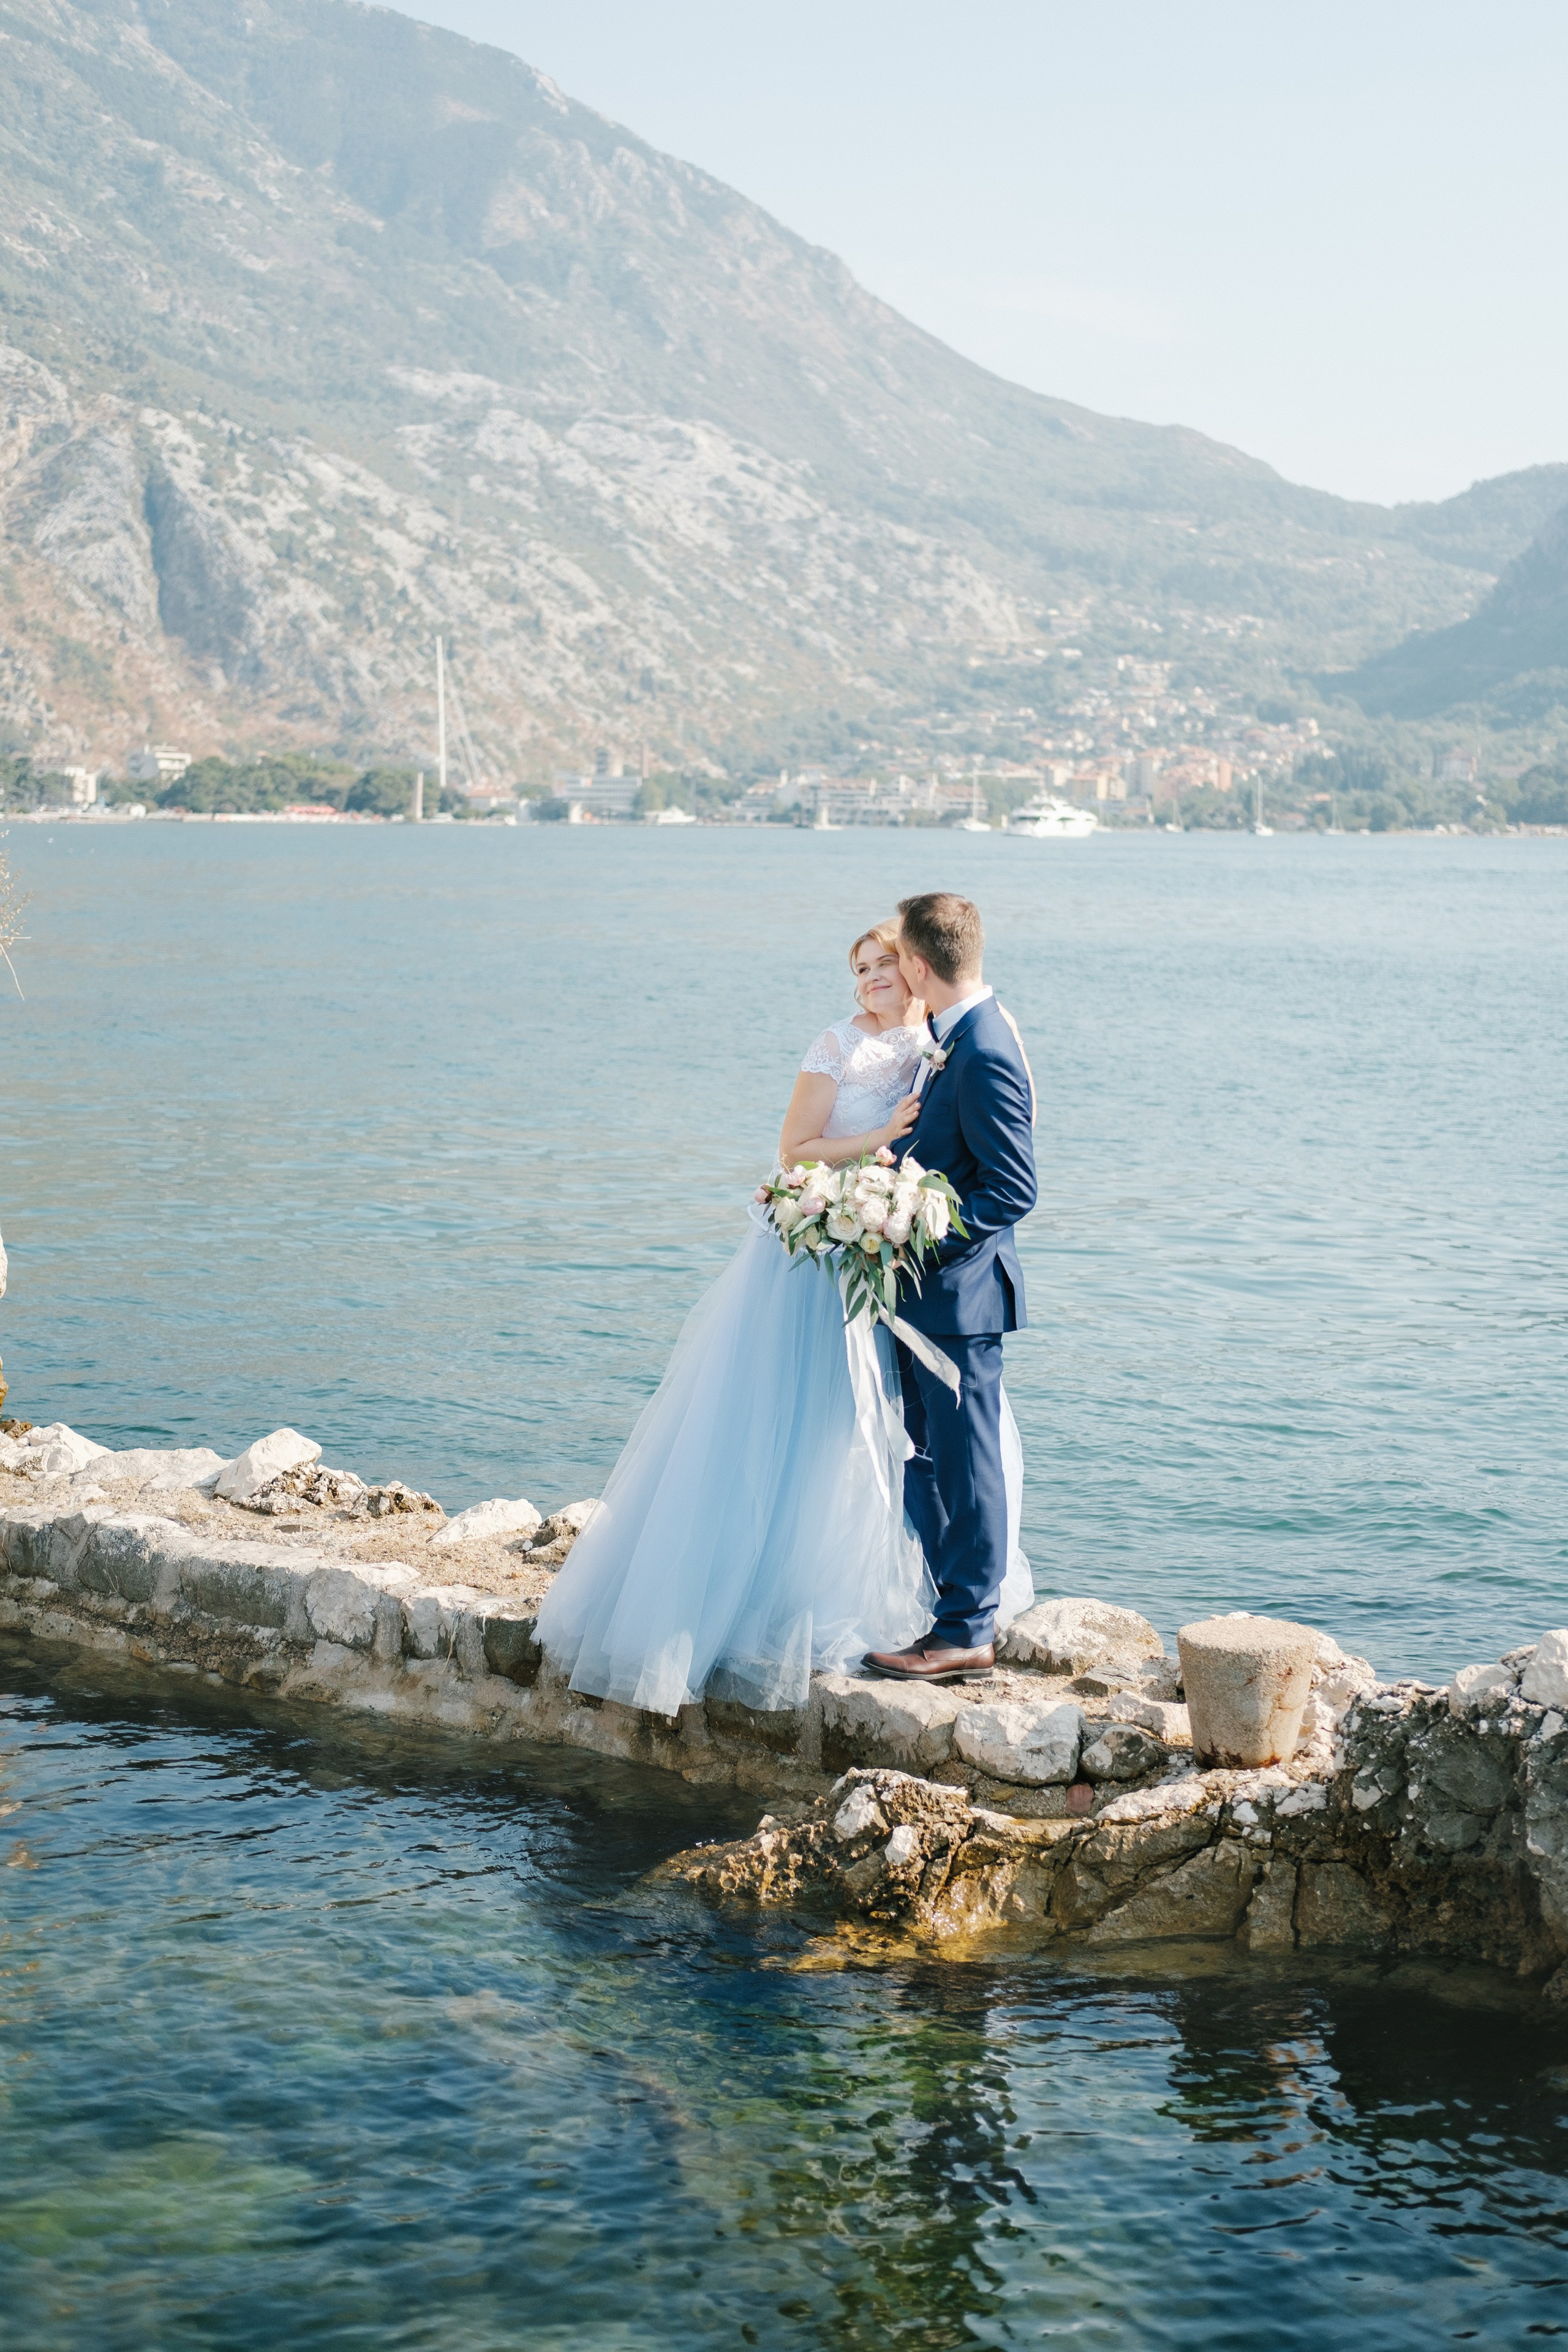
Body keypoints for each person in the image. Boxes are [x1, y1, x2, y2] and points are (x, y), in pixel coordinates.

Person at [534, 921, 1033, 1717]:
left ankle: (943, 1610)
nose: (872, 979)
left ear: (915, 970)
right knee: (820, 1430)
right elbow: (796, 1149)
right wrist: (879, 1153)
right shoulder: (840, 1045)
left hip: (902, 1268)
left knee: (906, 1439)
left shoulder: (941, 1044)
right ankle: (792, 1602)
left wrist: (902, 1216)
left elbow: (981, 1164)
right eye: (859, 969)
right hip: (833, 1263)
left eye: (884, 964)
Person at [864, 892, 1038, 1686]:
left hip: (960, 1296)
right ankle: (947, 1612)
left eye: (897, 957)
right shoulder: (952, 1036)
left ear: (918, 964)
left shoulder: (986, 1047)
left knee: (968, 1466)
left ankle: (968, 1631)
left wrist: (916, 1236)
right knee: (922, 1456)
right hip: (920, 1297)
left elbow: (1012, 1189)